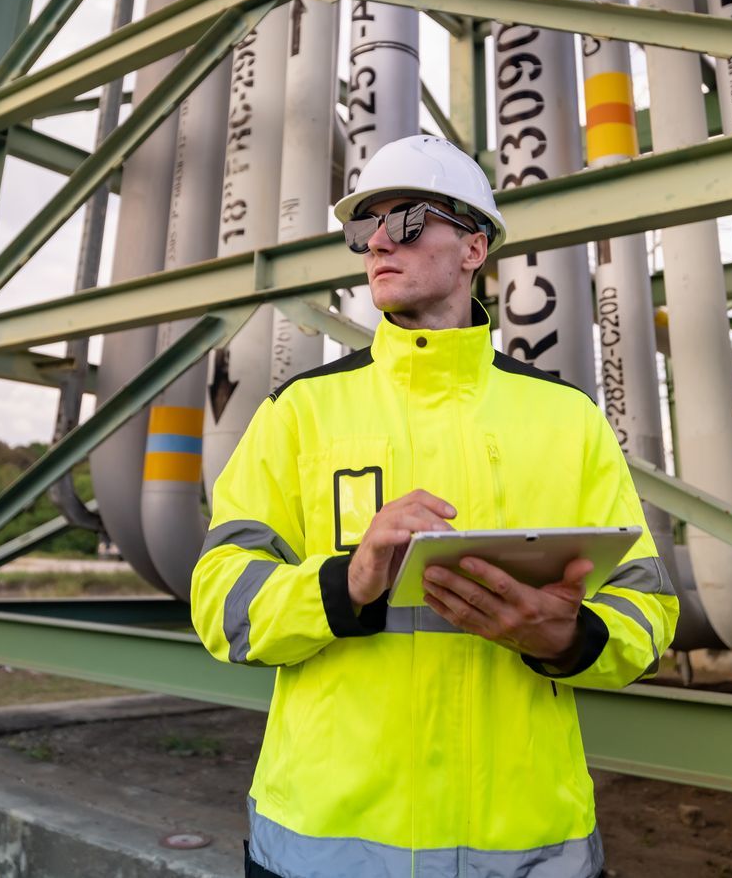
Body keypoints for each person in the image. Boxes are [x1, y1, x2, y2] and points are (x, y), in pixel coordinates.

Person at [190, 134, 677, 878]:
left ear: (474, 246)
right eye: (364, 227)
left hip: (525, 848)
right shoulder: (300, 412)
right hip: (326, 844)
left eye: (407, 219)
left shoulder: (566, 417)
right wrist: (344, 582)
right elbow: (221, 598)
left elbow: (647, 601)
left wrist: (573, 636)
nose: (378, 241)